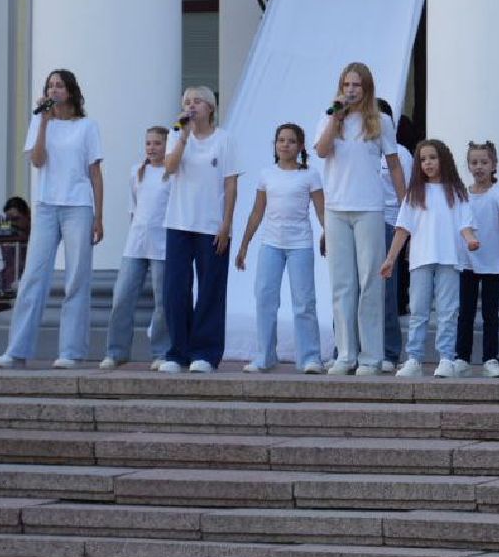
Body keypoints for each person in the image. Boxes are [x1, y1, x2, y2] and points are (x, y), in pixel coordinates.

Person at [0, 70, 103, 369]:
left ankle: (71, 351)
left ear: (70, 91)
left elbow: (95, 174)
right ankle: (16, 350)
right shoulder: (40, 122)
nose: (54, 89)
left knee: (76, 278)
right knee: (33, 277)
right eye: (50, 85)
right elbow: (38, 160)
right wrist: (42, 121)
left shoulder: (87, 126)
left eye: (59, 85)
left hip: (78, 206)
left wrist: (99, 217)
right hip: (45, 206)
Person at [314, 63, 406, 376]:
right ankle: (345, 355)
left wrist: (405, 204)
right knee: (342, 284)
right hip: (336, 209)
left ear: (366, 89)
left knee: (370, 283)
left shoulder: (379, 121)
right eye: (346, 84)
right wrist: (335, 118)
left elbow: (394, 165)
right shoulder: (330, 118)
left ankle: (370, 357)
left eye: (357, 85)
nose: (351, 90)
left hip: (369, 208)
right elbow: (322, 151)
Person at [161, 86, 240, 374]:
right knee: (175, 289)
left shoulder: (224, 139)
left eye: (197, 101)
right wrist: (182, 136)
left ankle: (205, 352)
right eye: (187, 102)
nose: (191, 106)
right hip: (179, 222)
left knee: (210, 289)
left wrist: (226, 223)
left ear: (210, 108)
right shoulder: (176, 135)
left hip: (211, 225)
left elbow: (231, 184)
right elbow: (169, 167)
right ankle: (178, 351)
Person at [236, 123, 327, 374]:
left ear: (300, 147)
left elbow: (321, 209)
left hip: (300, 244)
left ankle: (310, 357)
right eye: (281, 140)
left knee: (303, 301)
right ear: (275, 145)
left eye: (291, 141)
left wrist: (327, 233)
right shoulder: (267, 174)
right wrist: (244, 245)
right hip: (271, 244)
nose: (285, 145)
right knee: (265, 298)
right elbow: (257, 211)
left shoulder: (310, 175)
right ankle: (265, 356)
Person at [382, 139, 477, 378]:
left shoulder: (456, 192)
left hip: (449, 259)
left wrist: (470, 240)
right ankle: (414, 358)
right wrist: (391, 259)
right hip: (421, 259)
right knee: (418, 310)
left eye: (432, 157)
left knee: (447, 311)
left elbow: (464, 224)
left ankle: (446, 358)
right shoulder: (414, 193)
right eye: (423, 159)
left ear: (443, 159)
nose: (428, 163)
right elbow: (403, 228)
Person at [100, 127, 173, 369]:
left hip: (162, 245)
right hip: (135, 245)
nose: (152, 148)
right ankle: (117, 351)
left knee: (163, 301)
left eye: (157, 144)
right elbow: (133, 207)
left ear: (167, 146)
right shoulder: (137, 172)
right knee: (121, 297)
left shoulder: (173, 174)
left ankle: (161, 352)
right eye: (148, 143)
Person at [458, 140, 499, 377]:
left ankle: (491, 359)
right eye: (474, 162)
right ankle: (462, 358)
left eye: (484, 162)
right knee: (465, 312)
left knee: (490, 314)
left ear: (494, 165)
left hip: (492, 266)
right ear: (468, 165)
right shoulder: (462, 196)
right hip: (466, 264)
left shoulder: (498, 196)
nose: (479, 167)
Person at [378, 99, 414, 373]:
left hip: (390, 223)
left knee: (388, 293)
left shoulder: (400, 153)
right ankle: (345, 349)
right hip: (358, 222)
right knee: (352, 290)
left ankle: (390, 351)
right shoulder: (354, 148)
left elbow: (406, 192)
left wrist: (406, 227)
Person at [0, 196, 31, 295]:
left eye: (16, 219)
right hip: (12, 280)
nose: (12, 224)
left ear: (27, 215)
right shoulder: (7, 227)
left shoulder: (37, 230)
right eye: (9, 220)